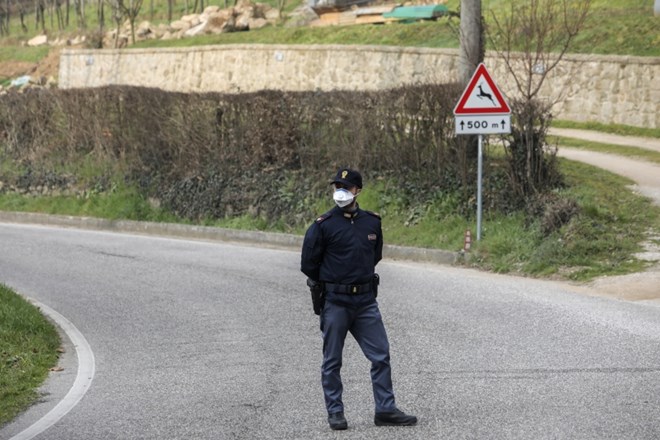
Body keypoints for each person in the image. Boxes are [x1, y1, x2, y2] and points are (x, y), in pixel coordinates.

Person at [300, 167, 417, 431]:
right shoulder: (323, 225)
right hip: (336, 302)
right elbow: (309, 264)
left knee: (381, 355)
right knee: (332, 360)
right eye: (336, 186)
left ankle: (385, 410)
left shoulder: (372, 222)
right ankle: (336, 413)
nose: (340, 191)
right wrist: (334, 281)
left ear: (357, 191)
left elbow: (374, 256)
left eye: (345, 187)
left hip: (365, 302)